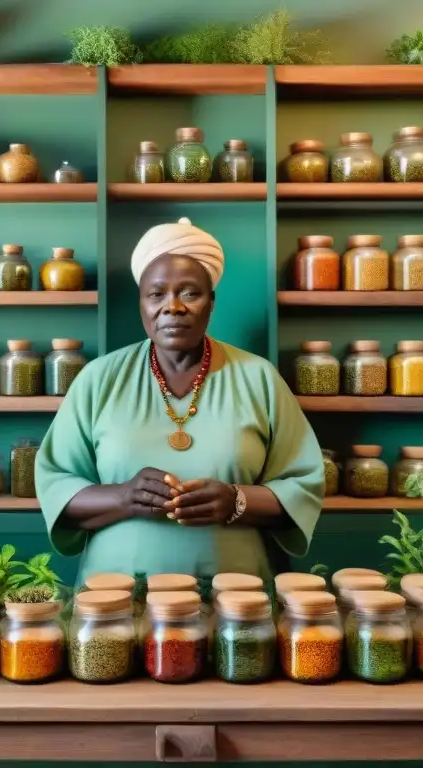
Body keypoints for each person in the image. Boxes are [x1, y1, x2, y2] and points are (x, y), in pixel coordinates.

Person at [35, 217, 324, 584]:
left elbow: (303, 484)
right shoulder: (99, 378)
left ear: (211, 302)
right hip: (117, 599)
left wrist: (236, 501)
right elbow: (56, 486)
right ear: (141, 303)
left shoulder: (258, 377)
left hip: (236, 596)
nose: (172, 307)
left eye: (189, 292)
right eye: (156, 294)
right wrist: (124, 496)